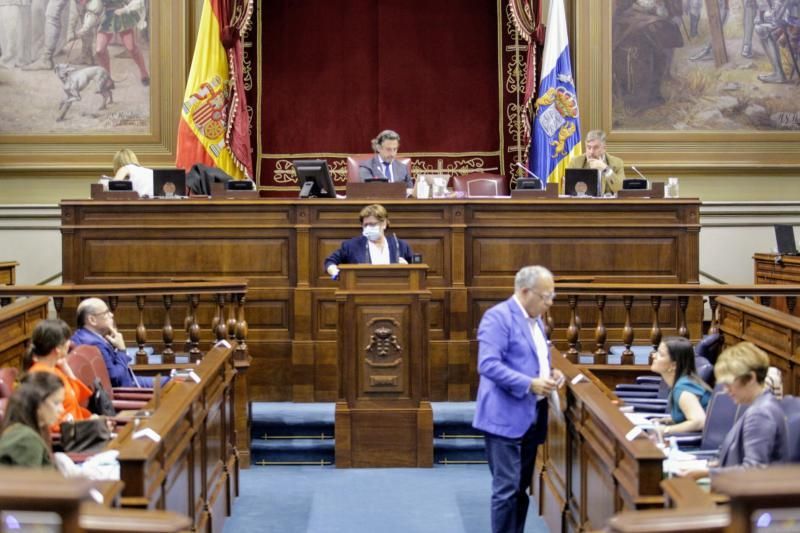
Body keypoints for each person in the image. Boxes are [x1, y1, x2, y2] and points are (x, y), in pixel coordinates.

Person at [472, 265, 565, 533]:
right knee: (506, 491)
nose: (549, 303)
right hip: (504, 417)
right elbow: (488, 365)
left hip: (532, 417)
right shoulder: (498, 318)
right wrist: (530, 383)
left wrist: (550, 373)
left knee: (521, 489)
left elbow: (532, 359)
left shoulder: (536, 320)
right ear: (525, 292)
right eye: (545, 296)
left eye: (551, 297)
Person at [680, 342, 788, 479]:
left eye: (728, 383)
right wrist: (715, 465)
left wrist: (706, 473)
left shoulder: (761, 413)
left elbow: (754, 471)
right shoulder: (761, 405)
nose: (726, 390)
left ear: (751, 378)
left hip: (753, 498)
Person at [71, 297, 157, 388]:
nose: (111, 315)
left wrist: (112, 346)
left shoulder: (80, 336)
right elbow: (116, 378)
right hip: (128, 390)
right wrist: (121, 350)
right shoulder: (95, 344)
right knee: (169, 382)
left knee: (169, 380)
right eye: (106, 313)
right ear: (92, 320)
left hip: (129, 381)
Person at [25, 319, 92, 431]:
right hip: (70, 439)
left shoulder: (55, 369)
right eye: (67, 340)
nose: (70, 343)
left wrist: (66, 368)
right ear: (57, 349)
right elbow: (51, 425)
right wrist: (89, 425)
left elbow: (78, 397)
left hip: (80, 428)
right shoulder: (41, 377)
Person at [324, 204, 414, 279]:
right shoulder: (352, 245)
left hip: (396, 293)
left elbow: (418, 271)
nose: (368, 228)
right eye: (365, 225)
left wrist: (408, 268)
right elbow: (330, 262)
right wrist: (336, 273)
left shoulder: (400, 245)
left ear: (384, 224)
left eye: (372, 224)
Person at [649, 336, 712, 436]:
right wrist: (668, 421)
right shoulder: (681, 383)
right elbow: (687, 417)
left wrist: (665, 430)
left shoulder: (683, 389)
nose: (653, 356)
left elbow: (700, 422)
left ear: (674, 365)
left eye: (660, 354)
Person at [0, 372, 64, 467]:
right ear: (37, 404)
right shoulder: (26, 439)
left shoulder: (25, 431)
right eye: (56, 403)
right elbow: (27, 481)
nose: (61, 410)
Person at [566, 130, 625, 195]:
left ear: (604, 148)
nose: (591, 152)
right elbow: (568, 191)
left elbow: (621, 190)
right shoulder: (576, 162)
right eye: (589, 147)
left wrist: (605, 169)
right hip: (584, 204)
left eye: (596, 148)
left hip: (608, 204)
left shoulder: (617, 163)